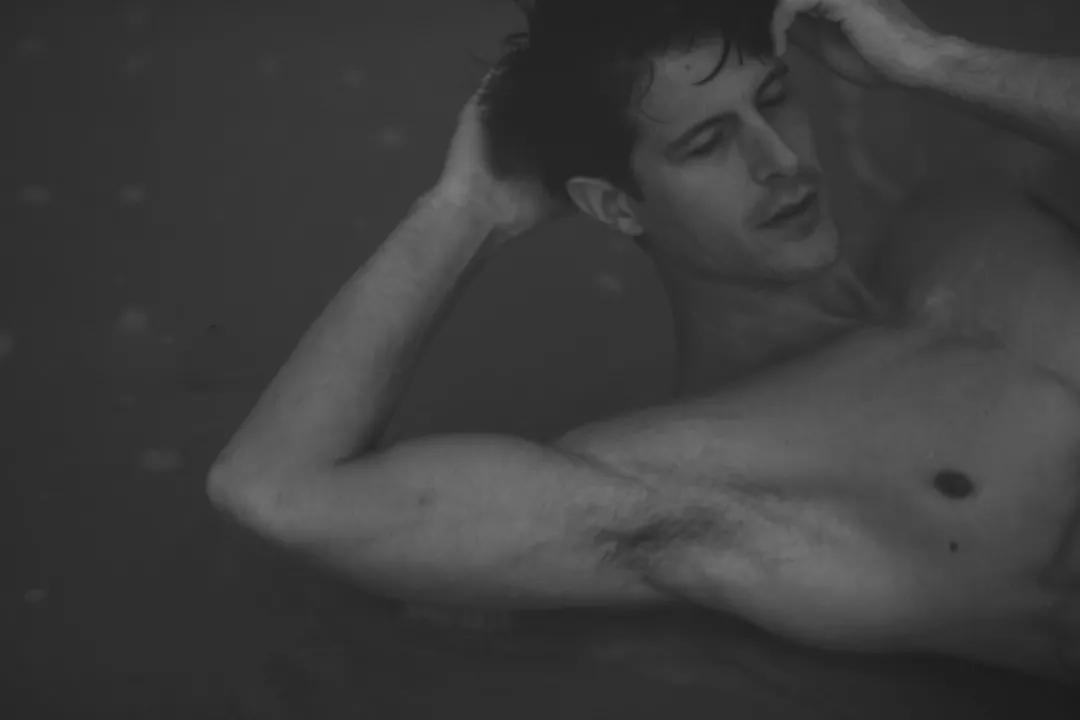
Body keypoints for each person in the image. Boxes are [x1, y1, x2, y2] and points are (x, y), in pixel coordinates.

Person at [206, 0, 1080, 684]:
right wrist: (462, 210)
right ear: (617, 206)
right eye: (708, 143)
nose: (779, 161)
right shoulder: (693, 481)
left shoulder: (974, 216)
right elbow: (278, 490)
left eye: (775, 99)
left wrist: (935, 62)